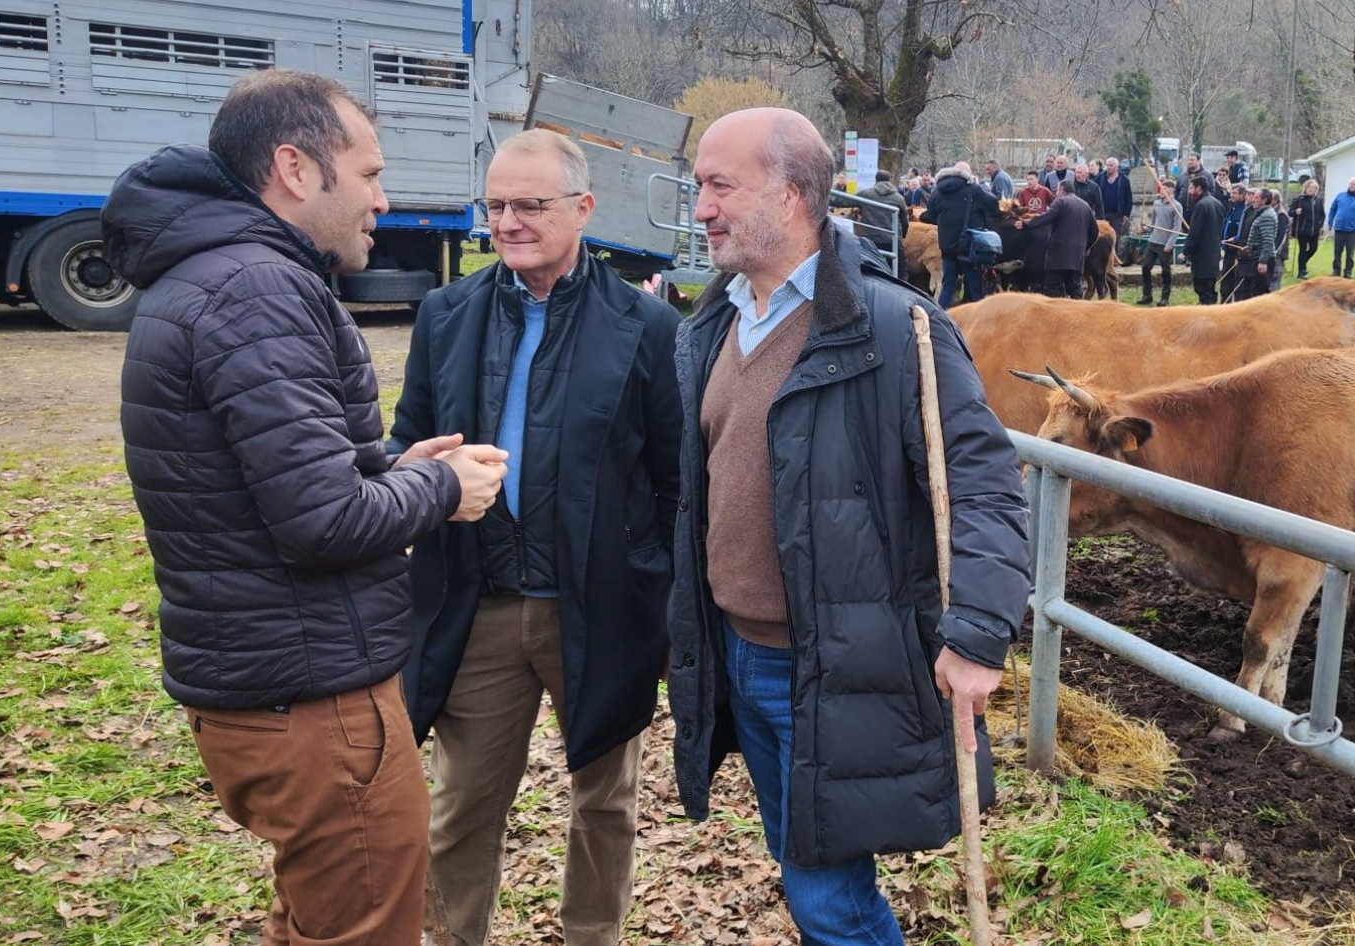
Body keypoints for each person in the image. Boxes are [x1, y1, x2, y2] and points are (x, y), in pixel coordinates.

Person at [104, 69, 510, 945]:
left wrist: (397, 467)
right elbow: (322, 521)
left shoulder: (212, 276)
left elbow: (268, 478)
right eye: (368, 174)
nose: (382, 199)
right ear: (295, 168)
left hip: (269, 688)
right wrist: (445, 487)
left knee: (319, 918)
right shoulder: (257, 289)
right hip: (315, 702)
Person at [673, 106, 1032, 946]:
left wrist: (979, 633)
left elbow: (985, 487)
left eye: (720, 187)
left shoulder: (895, 327)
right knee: (802, 859)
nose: (701, 209)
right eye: (699, 188)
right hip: (738, 651)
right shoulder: (718, 319)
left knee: (828, 898)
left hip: (835, 659)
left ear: (791, 195)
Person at [386, 129, 682, 946]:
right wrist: (409, 470)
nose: (508, 222)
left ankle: (593, 936)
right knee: (460, 808)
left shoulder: (648, 326)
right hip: (476, 602)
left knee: (606, 803)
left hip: (602, 607)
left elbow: (674, 482)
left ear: (583, 209)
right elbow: (406, 441)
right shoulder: (447, 315)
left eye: (529, 205)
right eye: (496, 206)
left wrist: (659, 601)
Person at [921, 164, 1005, 307]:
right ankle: (978, 318)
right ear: (966, 174)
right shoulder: (973, 189)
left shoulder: (937, 192)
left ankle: (942, 317)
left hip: (947, 248)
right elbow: (994, 206)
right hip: (969, 247)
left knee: (948, 286)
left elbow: (929, 216)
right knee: (975, 287)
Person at [1018, 178, 1098, 299]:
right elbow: (1095, 231)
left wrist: (1026, 223)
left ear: (1061, 190)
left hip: (1058, 255)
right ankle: (1078, 310)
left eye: (1057, 190)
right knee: (1075, 290)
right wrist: (1086, 247)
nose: (1056, 193)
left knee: (1052, 289)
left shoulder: (1060, 202)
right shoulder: (1085, 205)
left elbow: (1047, 217)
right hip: (1077, 256)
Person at [1178, 176, 1225, 304]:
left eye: (1191, 188)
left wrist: (1185, 252)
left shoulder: (1201, 206)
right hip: (1214, 255)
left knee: (1203, 290)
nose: (1189, 191)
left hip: (1202, 256)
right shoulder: (1218, 204)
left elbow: (1194, 233)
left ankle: (1208, 312)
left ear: (1199, 188)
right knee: (1210, 289)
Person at [1138, 179, 1182, 305]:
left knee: (1166, 271)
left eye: (1164, 188)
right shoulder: (1156, 204)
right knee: (1145, 266)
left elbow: (1176, 227)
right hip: (1153, 241)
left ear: (1171, 190)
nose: (1161, 191)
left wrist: (1170, 244)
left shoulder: (1176, 206)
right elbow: (1153, 224)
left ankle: (1165, 298)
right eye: (1161, 188)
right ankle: (1147, 295)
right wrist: (1145, 230)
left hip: (1165, 244)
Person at [856, 168, 910, 253]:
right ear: (889, 180)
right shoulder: (899, 198)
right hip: (892, 239)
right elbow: (904, 221)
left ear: (876, 180)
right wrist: (903, 235)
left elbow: (844, 201)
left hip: (870, 239)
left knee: (869, 260)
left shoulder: (865, 194)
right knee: (897, 260)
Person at [1328, 176, 1355, 278]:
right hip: (1339, 228)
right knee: (1337, 252)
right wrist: (1330, 222)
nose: (1351, 186)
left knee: (1350, 253)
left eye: (1354, 184)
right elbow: (1333, 209)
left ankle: (1348, 271)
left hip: (1353, 231)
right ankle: (1336, 270)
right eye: (1350, 184)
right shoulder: (1341, 196)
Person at [1099, 157, 1134, 261]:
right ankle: (1103, 259)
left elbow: (1128, 198)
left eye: (1111, 165)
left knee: (1116, 236)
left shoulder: (1124, 180)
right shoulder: (1101, 178)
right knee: (1102, 237)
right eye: (1107, 165)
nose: (1108, 167)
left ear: (1117, 167)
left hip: (1117, 214)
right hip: (1102, 213)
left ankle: (1115, 260)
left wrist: (1126, 214)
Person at [1288, 179, 1323, 278]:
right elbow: (1290, 212)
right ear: (1305, 188)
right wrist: (1296, 212)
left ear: (1316, 189)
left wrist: (1319, 224)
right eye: (1309, 187)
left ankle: (1303, 263)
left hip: (1314, 231)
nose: (1311, 189)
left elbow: (1322, 214)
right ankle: (1301, 271)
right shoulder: (1299, 200)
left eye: (1313, 188)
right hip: (1302, 230)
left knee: (1313, 249)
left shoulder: (1318, 201)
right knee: (1303, 250)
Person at [1221, 183, 1248, 292]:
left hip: (1237, 251)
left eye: (1235, 193)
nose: (1231, 195)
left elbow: (1244, 230)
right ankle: (1225, 298)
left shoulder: (1244, 210)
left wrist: (1235, 240)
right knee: (1225, 278)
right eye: (1231, 192)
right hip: (1228, 249)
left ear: (1242, 195)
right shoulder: (1233, 207)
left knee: (1234, 279)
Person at [1267, 188, 1290, 293]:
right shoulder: (1271, 211)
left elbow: (1281, 237)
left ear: (1275, 200)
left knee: (1274, 281)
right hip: (1271, 252)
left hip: (1277, 254)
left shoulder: (1281, 215)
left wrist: (1273, 252)